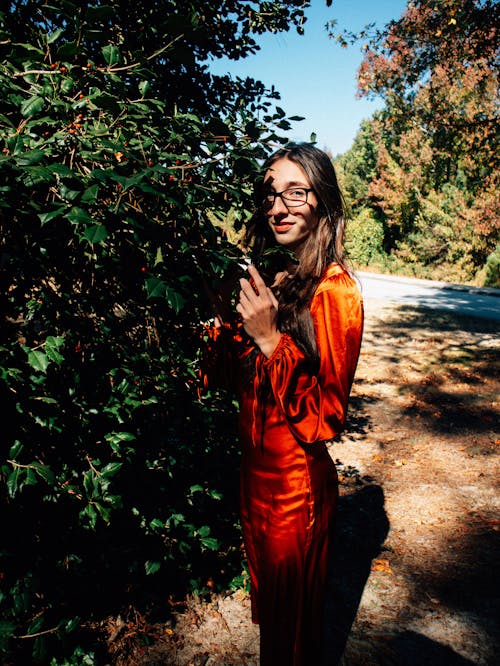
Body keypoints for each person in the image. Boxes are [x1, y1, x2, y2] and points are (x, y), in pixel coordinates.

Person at [202, 143, 364, 665]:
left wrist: (271, 340)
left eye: (295, 192)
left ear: (323, 202)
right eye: (271, 193)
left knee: (294, 636)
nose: (278, 206)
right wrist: (220, 320)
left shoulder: (336, 291)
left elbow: (326, 417)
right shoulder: (280, 279)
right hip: (256, 482)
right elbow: (236, 383)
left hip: (297, 495)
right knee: (273, 623)